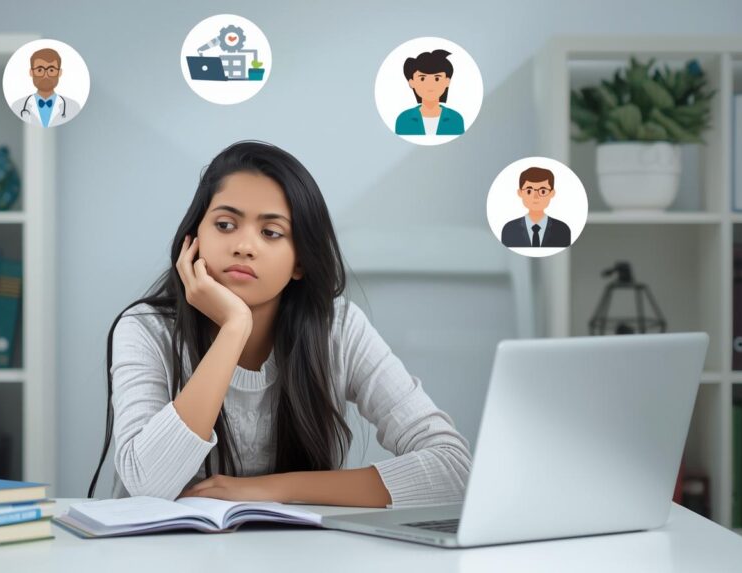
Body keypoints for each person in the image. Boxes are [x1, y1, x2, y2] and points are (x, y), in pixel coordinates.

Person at [88, 141, 471, 508]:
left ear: (300, 262)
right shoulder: (145, 330)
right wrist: (234, 328)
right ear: (194, 238)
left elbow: (453, 470)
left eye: (271, 233)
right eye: (224, 225)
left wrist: (271, 489)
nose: (244, 245)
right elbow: (148, 485)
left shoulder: (339, 329)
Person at [395, 49, 465, 136]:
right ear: (411, 82)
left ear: (447, 81)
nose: (430, 84)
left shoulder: (456, 119)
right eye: (422, 78)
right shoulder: (403, 119)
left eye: (437, 78)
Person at [501, 166, 572, 248]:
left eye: (542, 191)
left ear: (552, 193)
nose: (535, 197)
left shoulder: (562, 230)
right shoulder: (509, 230)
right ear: (520, 193)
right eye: (529, 191)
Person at [10, 47, 80, 127]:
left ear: (59, 73)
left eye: (51, 70)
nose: (45, 76)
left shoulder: (73, 106)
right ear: (31, 72)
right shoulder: (18, 106)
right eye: (40, 70)